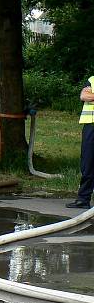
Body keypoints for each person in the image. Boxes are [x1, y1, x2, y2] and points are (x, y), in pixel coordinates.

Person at [65, 76, 94, 209]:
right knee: (87, 163)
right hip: (90, 126)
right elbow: (84, 96)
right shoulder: (92, 79)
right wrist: (89, 95)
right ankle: (83, 199)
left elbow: (90, 96)